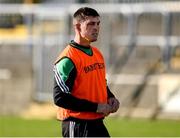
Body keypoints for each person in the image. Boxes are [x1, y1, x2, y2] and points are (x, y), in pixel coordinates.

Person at [53, 7, 119, 137]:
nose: (96, 28)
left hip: (97, 122)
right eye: (90, 24)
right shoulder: (68, 59)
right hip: (76, 124)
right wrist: (96, 107)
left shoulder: (97, 54)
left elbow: (100, 83)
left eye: (98, 23)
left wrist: (110, 97)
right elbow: (60, 98)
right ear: (77, 27)